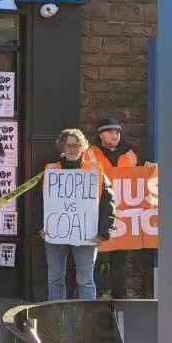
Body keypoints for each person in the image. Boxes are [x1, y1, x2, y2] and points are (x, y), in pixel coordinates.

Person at [41, 128, 115, 300]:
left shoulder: (95, 171)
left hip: (86, 234)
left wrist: (105, 231)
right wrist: (40, 227)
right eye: (68, 146)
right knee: (54, 279)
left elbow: (107, 203)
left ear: (82, 147)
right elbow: (39, 202)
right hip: (54, 233)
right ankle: (56, 320)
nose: (72, 149)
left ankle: (86, 322)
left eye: (76, 145)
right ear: (62, 148)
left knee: (85, 280)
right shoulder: (51, 171)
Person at [87, 117, 156, 298]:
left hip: (123, 217)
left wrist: (149, 169)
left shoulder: (131, 154)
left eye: (117, 132)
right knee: (94, 261)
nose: (115, 135)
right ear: (101, 134)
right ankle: (94, 300)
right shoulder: (90, 153)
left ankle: (120, 299)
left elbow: (138, 180)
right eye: (110, 132)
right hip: (98, 215)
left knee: (120, 261)